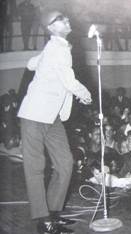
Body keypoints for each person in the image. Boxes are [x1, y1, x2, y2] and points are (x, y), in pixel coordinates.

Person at [17, 10, 92, 234]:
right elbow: (69, 80)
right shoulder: (56, 48)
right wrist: (85, 93)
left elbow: (31, 65)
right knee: (36, 167)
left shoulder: (55, 48)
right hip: (33, 115)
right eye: (60, 19)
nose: (67, 20)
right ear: (50, 27)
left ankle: (53, 213)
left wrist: (41, 59)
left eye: (65, 17)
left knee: (65, 164)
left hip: (53, 117)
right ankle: (43, 220)